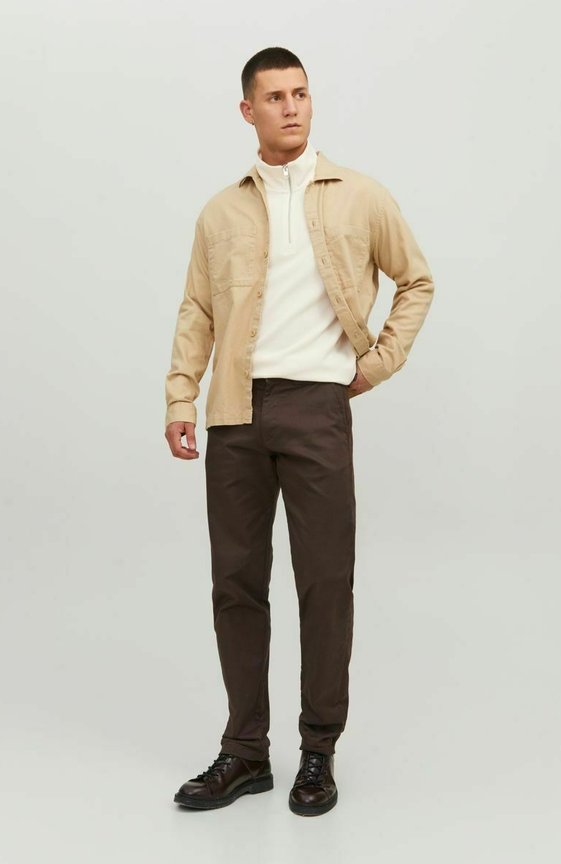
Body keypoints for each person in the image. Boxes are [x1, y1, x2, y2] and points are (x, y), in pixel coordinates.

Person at [164, 46, 435, 817]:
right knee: (236, 584)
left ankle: (319, 752)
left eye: (301, 94)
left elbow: (416, 280)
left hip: (318, 408)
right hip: (235, 413)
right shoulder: (220, 211)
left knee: (324, 584)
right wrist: (181, 399)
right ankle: (245, 752)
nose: (291, 107)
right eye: (275, 97)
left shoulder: (360, 196)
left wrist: (376, 364)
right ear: (247, 111)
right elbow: (197, 310)